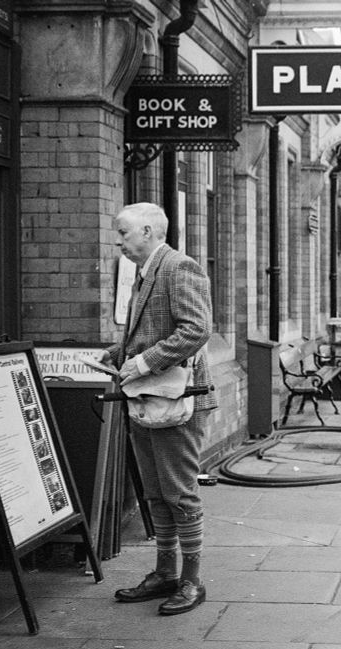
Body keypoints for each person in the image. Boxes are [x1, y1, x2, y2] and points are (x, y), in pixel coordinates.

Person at [99, 202, 216, 616]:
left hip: (176, 401)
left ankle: (192, 580)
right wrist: (117, 354)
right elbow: (151, 333)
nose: (119, 241)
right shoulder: (147, 271)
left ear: (148, 231)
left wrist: (143, 362)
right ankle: (166, 571)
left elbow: (197, 330)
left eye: (124, 233)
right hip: (149, 398)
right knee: (155, 492)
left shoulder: (179, 267)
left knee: (180, 493)